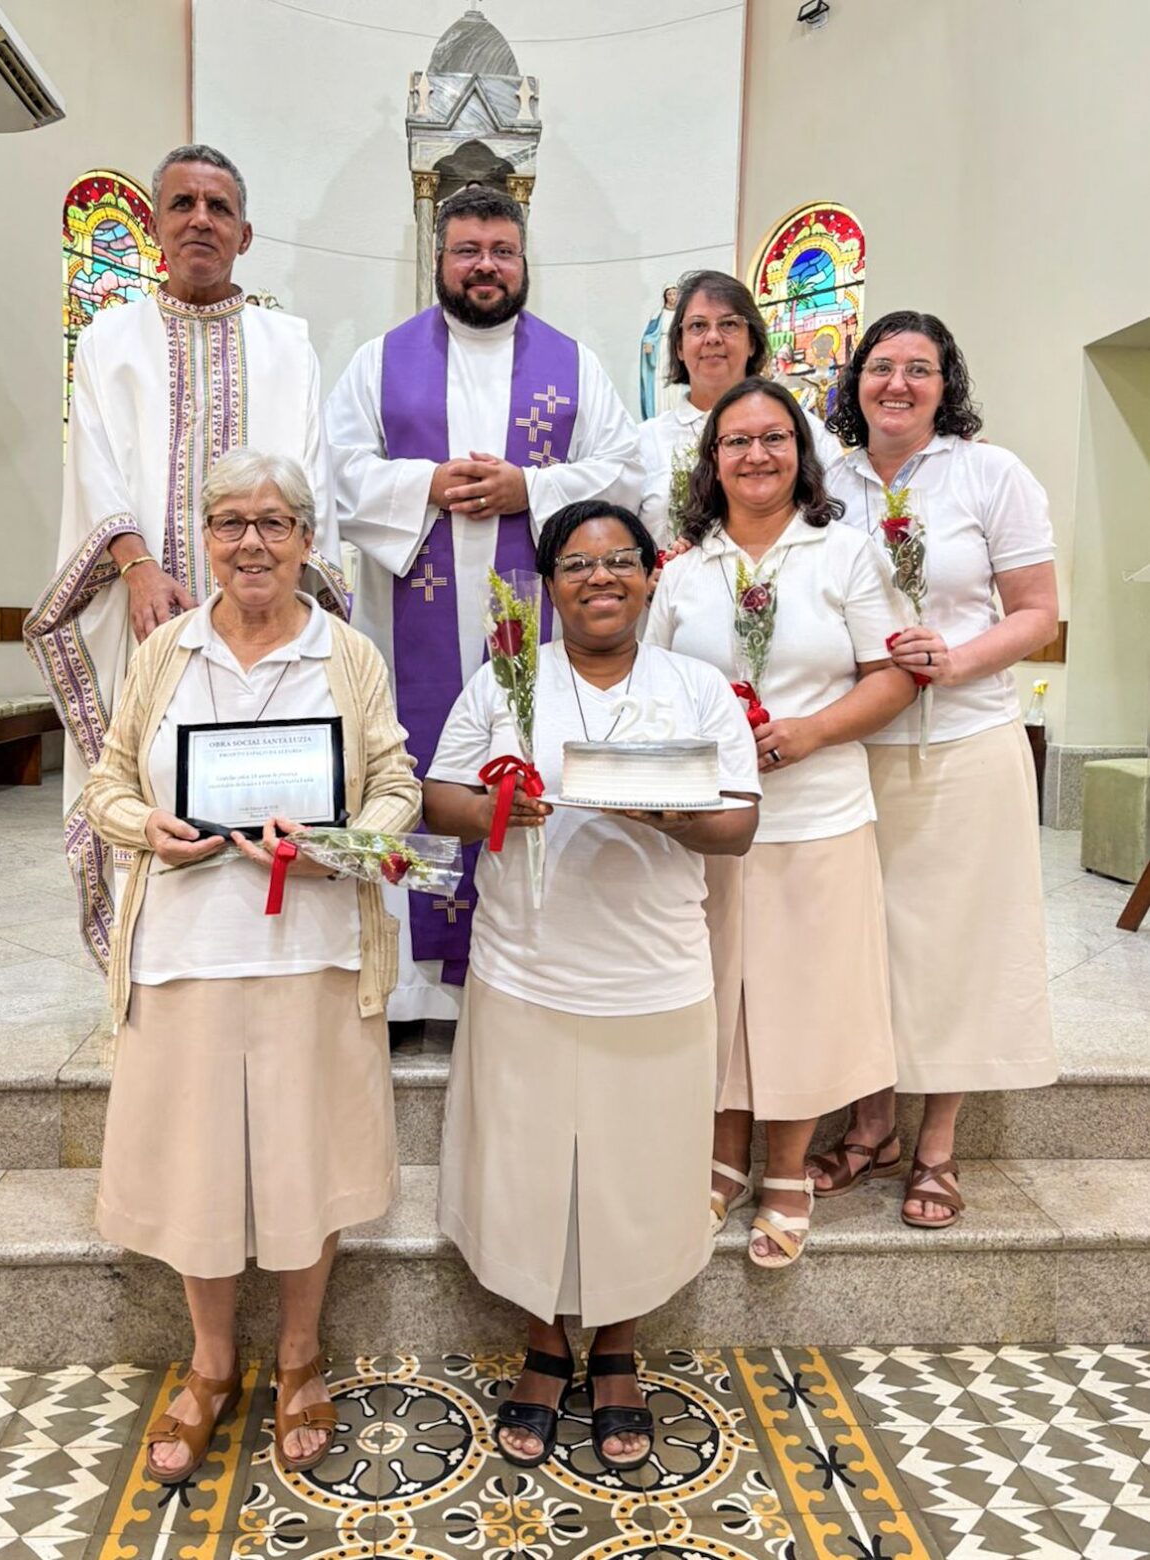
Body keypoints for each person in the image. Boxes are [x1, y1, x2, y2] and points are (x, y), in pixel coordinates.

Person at [81, 450, 419, 1482]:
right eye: (231, 523)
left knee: (301, 1165)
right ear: (207, 540)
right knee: (196, 1169)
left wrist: (337, 844)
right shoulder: (165, 652)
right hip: (185, 954)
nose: (253, 543)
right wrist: (148, 825)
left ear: (308, 541)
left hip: (310, 952)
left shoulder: (345, 655)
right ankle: (213, 1363)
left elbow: (396, 781)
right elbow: (104, 784)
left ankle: (304, 1354)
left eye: (275, 523)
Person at [424, 500, 758, 1471]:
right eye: (577, 563)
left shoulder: (697, 689)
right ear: (549, 585)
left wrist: (667, 808)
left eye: (619, 561)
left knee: (641, 1173)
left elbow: (738, 823)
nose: (600, 578)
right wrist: (502, 808)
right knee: (527, 1170)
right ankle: (541, 1344)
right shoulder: (507, 682)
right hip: (525, 968)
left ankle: (616, 1350)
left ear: (652, 576)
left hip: (653, 976)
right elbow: (440, 797)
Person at [326, 184, 642, 1028]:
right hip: (409, 636)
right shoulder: (380, 361)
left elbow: (624, 473)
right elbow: (337, 476)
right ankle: (412, 992)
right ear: (439, 258)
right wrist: (425, 483)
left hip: (535, 630)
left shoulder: (572, 364)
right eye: (468, 250)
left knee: (524, 755)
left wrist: (527, 487)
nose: (486, 266)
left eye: (502, 250)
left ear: (524, 258)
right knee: (415, 768)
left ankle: (517, 963)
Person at [26, 144, 346, 972]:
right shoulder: (108, 339)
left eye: (218, 207)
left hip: (266, 617)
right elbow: (90, 460)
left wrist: (286, 586)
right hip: (151, 614)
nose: (200, 219)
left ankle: (271, 936)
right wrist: (134, 565)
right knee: (148, 772)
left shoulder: (289, 344)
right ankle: (147, 950)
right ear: (158, 227)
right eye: (181, 205)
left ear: (246, 234)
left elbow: (309, 470)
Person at [647, 380, 916, 1266]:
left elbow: (892, 675)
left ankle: (788, 1169)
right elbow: (652, 686)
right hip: (715, 820)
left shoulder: (843, 554)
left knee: (803, 996)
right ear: (711, 461)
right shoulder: (684, 572)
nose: (756, 455)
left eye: (774, 438)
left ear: (801, 454)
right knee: (719, 990)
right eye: (736, 442)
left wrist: (807, 733)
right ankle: (722, 1158)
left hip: (821, 808)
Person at [818, 310, 1059, 1226]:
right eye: (882, 367)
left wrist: (953, 659)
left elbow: (1036, 610)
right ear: (857, 382)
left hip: (965, 740)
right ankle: (869, 1124)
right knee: (865, 942)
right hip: (855, 746)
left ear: (945, 383)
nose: (898, 385)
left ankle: (937, 1147)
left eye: (920, 369)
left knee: (956, 943)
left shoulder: (992, 474)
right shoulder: (826, 480)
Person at [639, 270, 839, 548]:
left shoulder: (803, 430)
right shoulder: (642, 442)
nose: (712, 337)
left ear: (752, 342)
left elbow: (836, 526)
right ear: (679, 347)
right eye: (697, 326)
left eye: (729, 324)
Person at [638, 283, 682, 420]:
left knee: (676, 379)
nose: (672, 297)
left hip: (677, 348)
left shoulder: (683, 314)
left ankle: (677, 410)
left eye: (674, 294)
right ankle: (660, 411)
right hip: (662, 349)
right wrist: (648, 343)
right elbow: (650, 334)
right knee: (660, 379)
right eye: (669, 294)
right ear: (665, 297)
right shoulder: (658, 314)